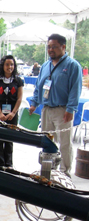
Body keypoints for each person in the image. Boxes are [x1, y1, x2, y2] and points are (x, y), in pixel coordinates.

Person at [29, 33, 82, 177]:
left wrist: (71, 109)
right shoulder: (45, 65)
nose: (51, 50)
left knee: (64, 142)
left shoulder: (72, 65)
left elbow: (75, 89)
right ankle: (49, 170)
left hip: (63, 110)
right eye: (49, 47)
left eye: (54, 47)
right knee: (47, 141)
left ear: (63, 47)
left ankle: (65, 172)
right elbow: (39, 87)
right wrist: (34, 103)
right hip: (46, 109)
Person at [0, 55, 23, 168]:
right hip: (0, 113)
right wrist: (0, 113)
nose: (9, 67)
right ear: (3, 66)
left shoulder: (18, 80)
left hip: (12, 113)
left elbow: (19, 98)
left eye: (11, 64)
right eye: (7, 64)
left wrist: (13, 113)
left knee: (10, 139)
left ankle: (8, 164)